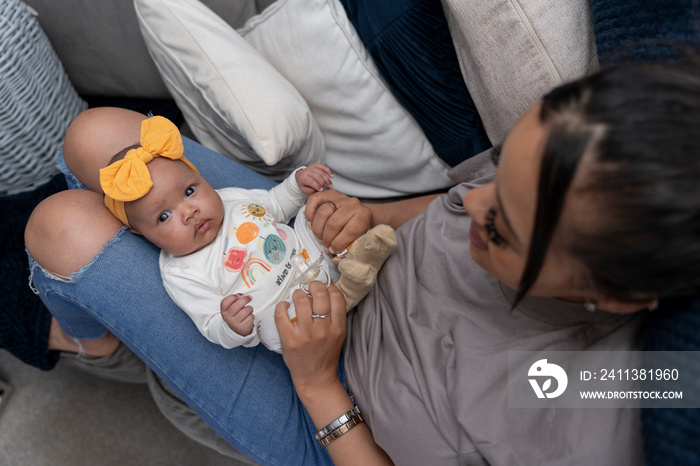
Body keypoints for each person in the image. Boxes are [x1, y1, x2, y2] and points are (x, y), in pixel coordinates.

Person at [25, 60, 700, 465]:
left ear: (613, 296)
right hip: (334, 261)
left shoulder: (604, 408)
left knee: (58, 226)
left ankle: (91, 340)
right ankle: (94, 329)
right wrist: (369, 217)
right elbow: (442, 206)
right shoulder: (562, 163)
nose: (474, 205)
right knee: (96, 139)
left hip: (342, 409)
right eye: (497, 176)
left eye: (504, 226)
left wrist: (320, 385)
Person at [97, 115, 396, 351]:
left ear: (200, 178)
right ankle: (349, 285)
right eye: (164, 216)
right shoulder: (180, 272)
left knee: (314, 215)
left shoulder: (230, 199)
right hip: (285, 313)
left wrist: (297, 183)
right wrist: (229, 325)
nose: (189, 212)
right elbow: (210, 322)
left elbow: (277, 205)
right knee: (276, 332)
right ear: (142, 233)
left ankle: (350, 259)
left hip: (307, 256)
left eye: (190, 191)